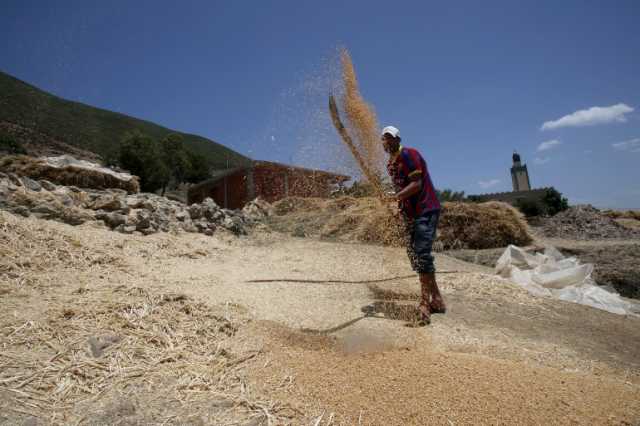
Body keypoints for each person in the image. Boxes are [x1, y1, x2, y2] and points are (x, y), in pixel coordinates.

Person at [381, 125, 445, 324]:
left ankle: (425, 304)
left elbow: (416, 185)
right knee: (416, 257)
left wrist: (395, 197)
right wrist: (397, 207)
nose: (387, 141)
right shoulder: (390, 165)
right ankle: (438, 300)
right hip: (410, 214)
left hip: (426, 209)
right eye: (384, 138)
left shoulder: (410, 155)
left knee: (422, 253)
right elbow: (400, 190)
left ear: (398, 139)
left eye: (390, 138)